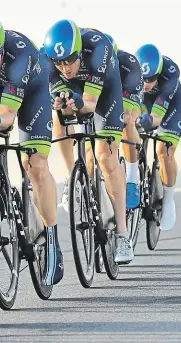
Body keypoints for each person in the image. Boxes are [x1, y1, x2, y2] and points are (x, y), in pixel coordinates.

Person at [0, 15, 63, 285]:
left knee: (35, 166)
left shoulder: (20, 57)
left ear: (1, 48)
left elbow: (7, 115)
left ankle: (52, 237)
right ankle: (1, 186)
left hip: (30, 92)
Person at [42, 20, 134, 264]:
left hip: (104, 93)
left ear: (79, 51)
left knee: (106, 158)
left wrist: (79, 103)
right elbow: (58, 99)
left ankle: (123, 234)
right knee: (58, 114)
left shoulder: (98, 49)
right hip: (73, 90)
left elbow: (90, 105)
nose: (65, 67)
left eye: (70, 60)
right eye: (59, 62)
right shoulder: (48, 60)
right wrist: (64, 103)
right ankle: (72, 174)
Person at [53, 31, 144, 212]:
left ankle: (132, 177)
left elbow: (127, 113)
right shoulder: (86, 65)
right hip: (93, 95)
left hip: (123, 90)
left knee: (126, 122)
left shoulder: (126, 64)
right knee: (88, 148)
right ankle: (82, 183)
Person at [135, 44, 181, 231]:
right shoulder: (129, 71)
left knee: (164, 152)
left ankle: (169, 199)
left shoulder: (170, 74)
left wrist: (148, 121)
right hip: (142, 103)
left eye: (152, 79)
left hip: (168, 107)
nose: (147, 83)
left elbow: (157, 118)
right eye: (143, 79)